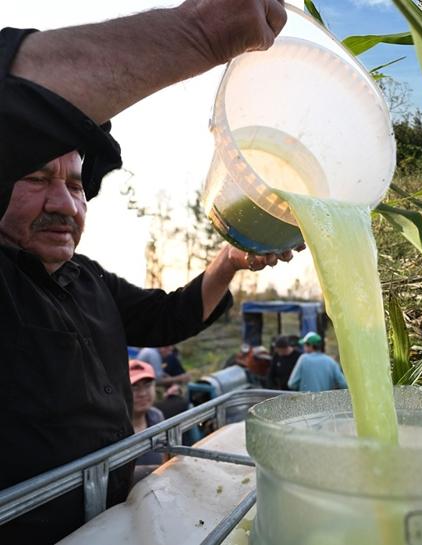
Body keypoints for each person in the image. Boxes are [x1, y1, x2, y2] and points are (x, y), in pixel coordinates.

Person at [0, 2, 290, 543]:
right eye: (37, 179)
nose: (65, 204)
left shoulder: (88, 279)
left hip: (112, 521)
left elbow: (167, 316)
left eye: (77, 185)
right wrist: (199, 33)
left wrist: (229, 260)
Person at [128, 360, 166, 483]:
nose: (143, 393)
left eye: (147, 385)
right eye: (134, 387)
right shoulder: (112, 429)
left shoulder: (156, 416)